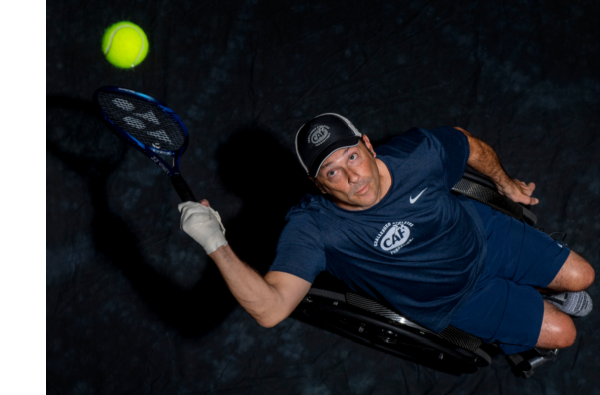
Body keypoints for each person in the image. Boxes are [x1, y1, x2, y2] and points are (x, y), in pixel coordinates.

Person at [178, 113, 594, 354]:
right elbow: (269, 310)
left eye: (352, 156)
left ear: (368, 145)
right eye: (332, 171)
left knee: (584, 276)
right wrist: (217, 244)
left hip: (483, 236)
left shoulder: (419, 155)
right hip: (453, 301)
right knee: (566, 335)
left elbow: (467, 144)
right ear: (318, 184)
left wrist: (506, 184)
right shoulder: (313, 228)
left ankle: (548, 291)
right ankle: (530, 308)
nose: (351, 176)